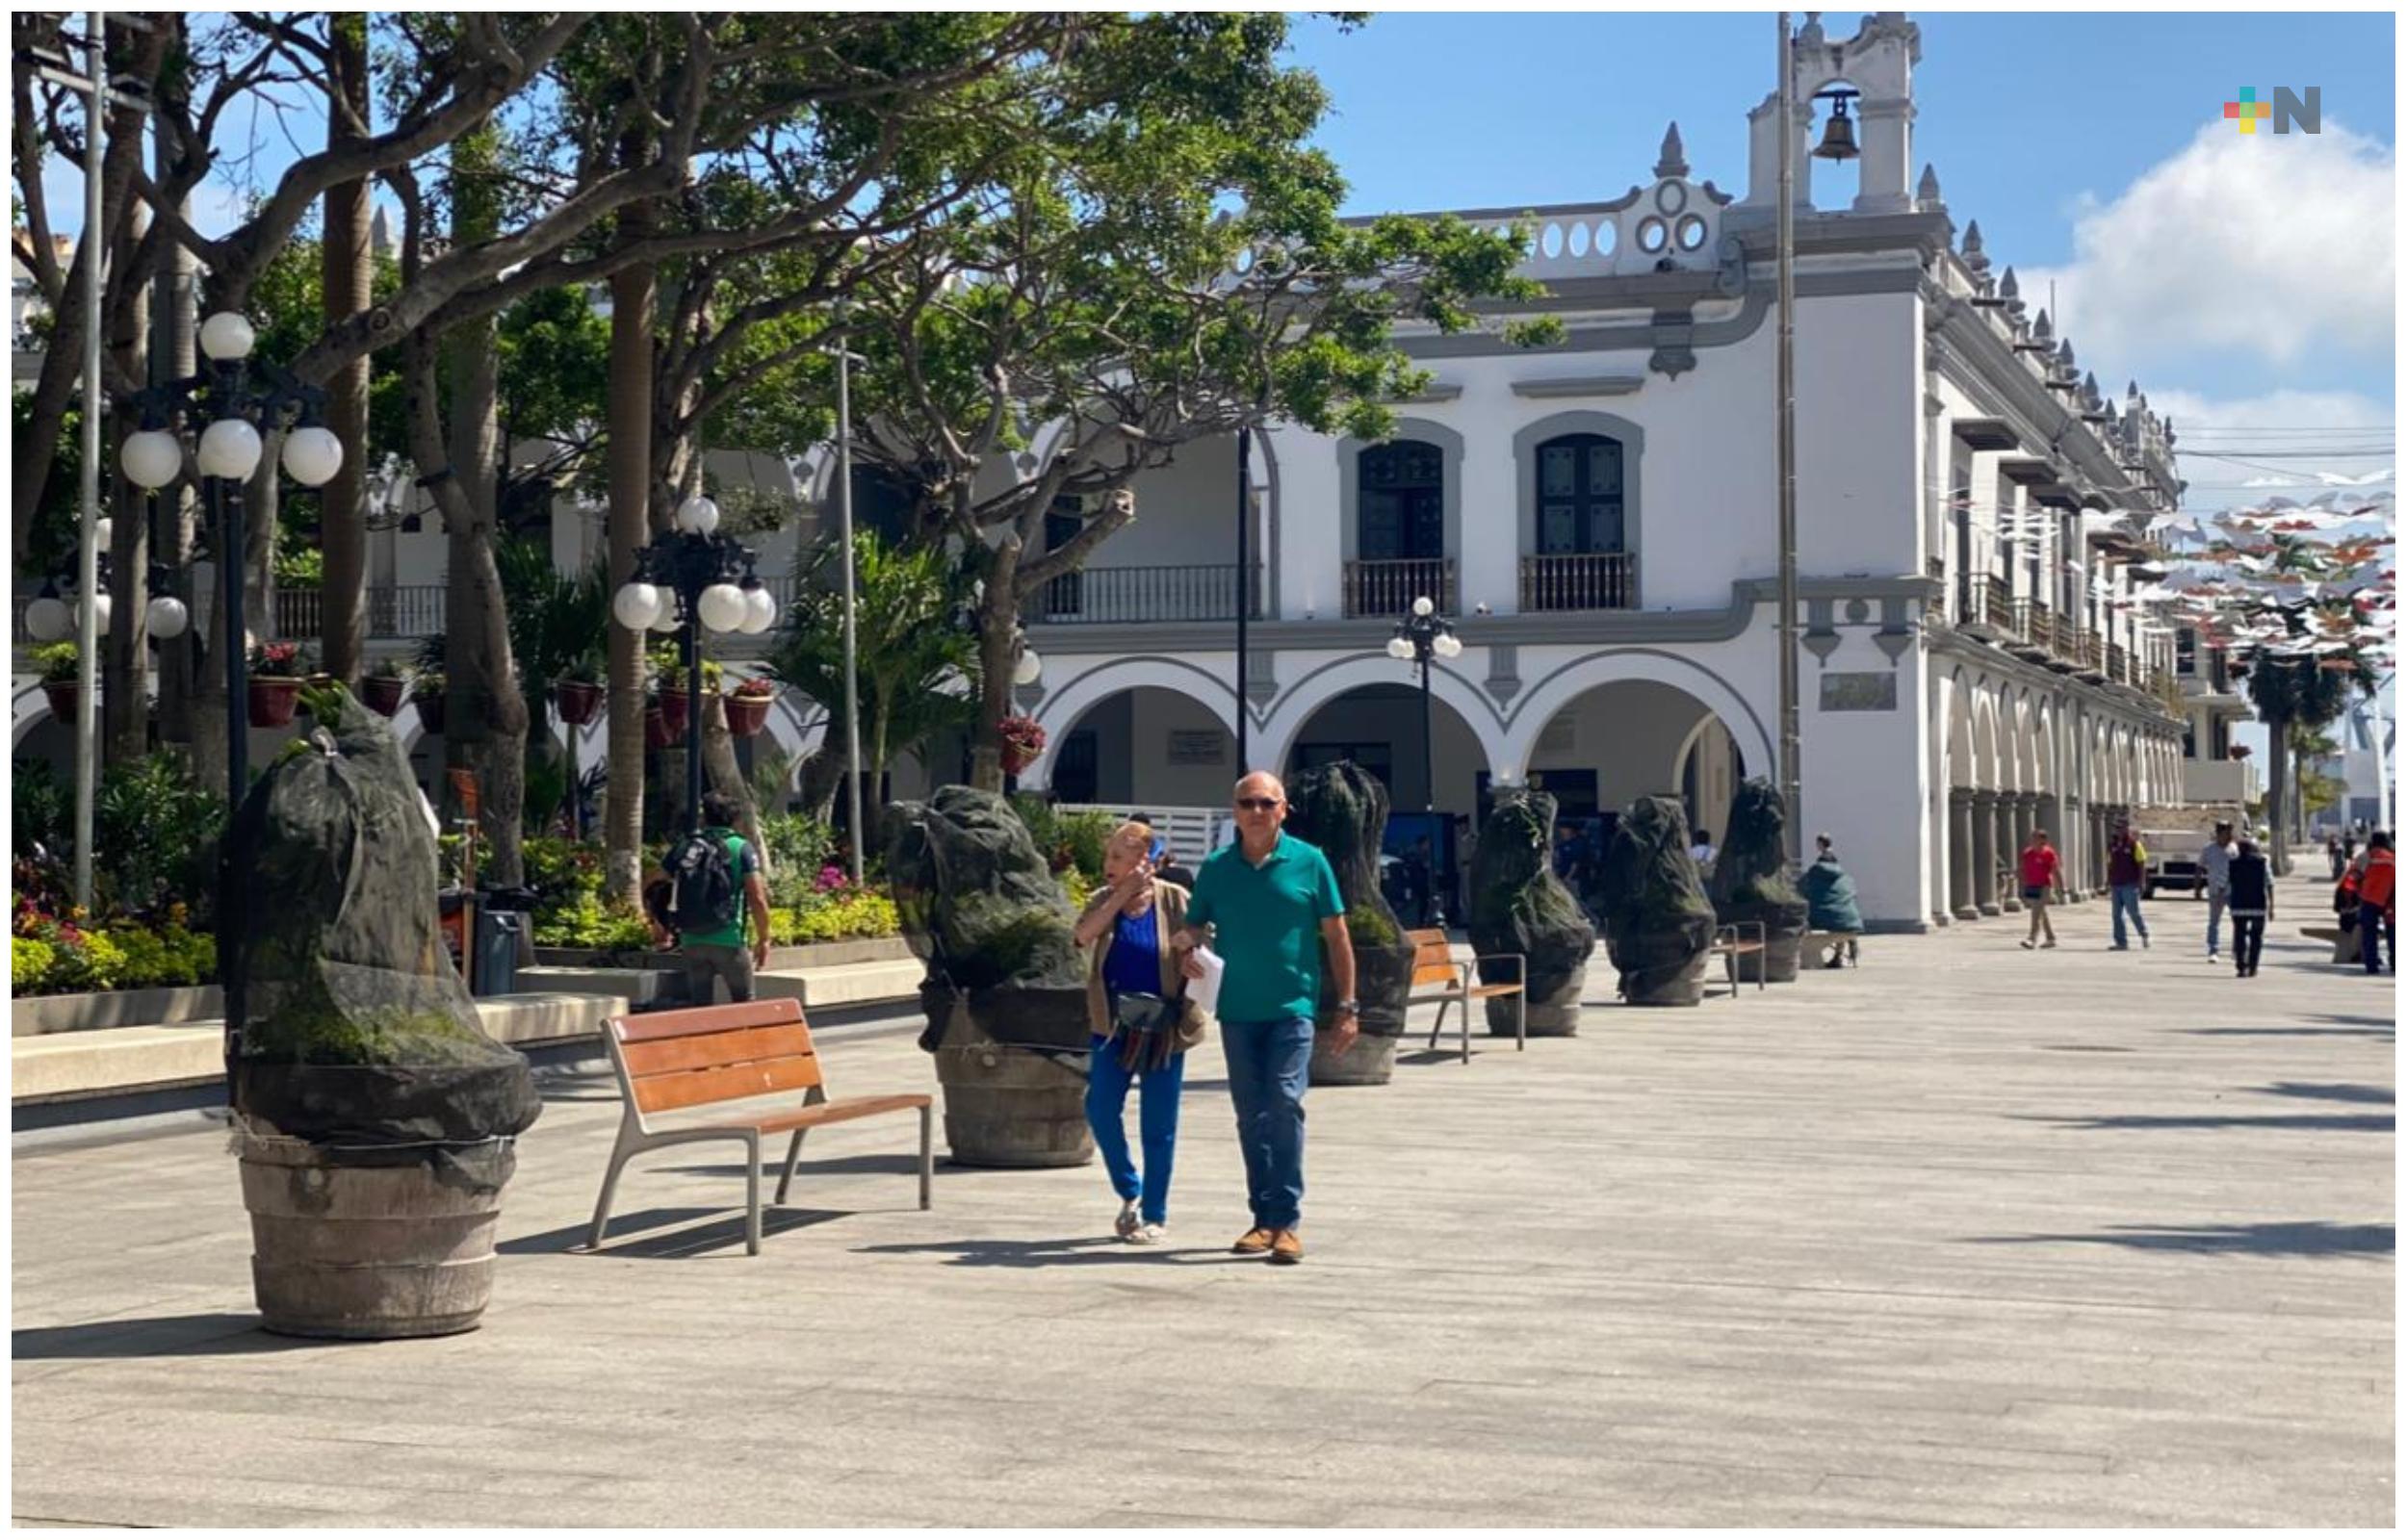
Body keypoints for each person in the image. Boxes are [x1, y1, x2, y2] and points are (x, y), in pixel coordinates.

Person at [1172, 772, 1355, 1267]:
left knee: (1284, 1102)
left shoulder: (1310, 863)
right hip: (1237, 1011)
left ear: (1283, 809)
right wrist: (1188, 948)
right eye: (1247, 803)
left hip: (1292, 1009)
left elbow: (1337, 937)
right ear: (1234, 811)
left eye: (1266, 803)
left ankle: (1288, 1221)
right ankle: (1263, 1219)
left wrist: (1348, 1007)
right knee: (1251, 1115)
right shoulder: (1217, 867)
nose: (1256, 812)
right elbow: (1193, 925)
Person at [1073, 821, 1207, 1245]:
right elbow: (1082, 935)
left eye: (1118, 856)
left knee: (1158, 1123)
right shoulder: (1102, 899)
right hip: (1113, 1024)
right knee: (1099, 1108)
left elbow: (1204, 942)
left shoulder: (1175, 900)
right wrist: (1120, 897)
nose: (1108, 863)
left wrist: (1193, 956)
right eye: (1108, 855)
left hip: (1164, 1025)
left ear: (1142, 860)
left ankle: (1154, 1212)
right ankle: (1129, 1189)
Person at [656, 790, 772, 1003]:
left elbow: (655, 885)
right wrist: (764, 938)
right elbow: (757, 897)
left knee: (702, 1009)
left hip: (691, 939)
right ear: (735, 819)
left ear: (704, 817)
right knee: (745, 1005)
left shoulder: (686, 845)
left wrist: (660, 925)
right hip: (729, 939)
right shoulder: (741, 848)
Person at [1799, 833, 1861, 967]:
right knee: (1840, 920)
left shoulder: (1821, 863)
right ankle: (1838, 956)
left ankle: (1835, 958)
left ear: (1821, 844)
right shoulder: (1842, 876)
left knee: (1827, 919)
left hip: (1830, 918)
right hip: (1850, 920)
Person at [2226, 837, 2272, 978]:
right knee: (2256, 937)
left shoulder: (2233, 864)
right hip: (2257, 906)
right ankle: (2253, 966)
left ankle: (2241, 967)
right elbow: (2269, 884)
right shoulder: (2262, 863)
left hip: (2239, 905)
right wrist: (2271, 907)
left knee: (2239, 936)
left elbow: (2228, 885)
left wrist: (2230, 903)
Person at [2016, 827, 2064, 950]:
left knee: (2035, 912)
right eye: (2033, 837)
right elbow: (2022, 868)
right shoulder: (2027, 853)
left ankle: (2032, 939)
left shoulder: (2048, 853)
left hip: (2044, 886)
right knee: (2041, 912)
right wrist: (2021, 883)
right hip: (2031, 885)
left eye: (2036, 838)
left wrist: (2061, 887)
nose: (2033, 840)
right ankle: (2051, 938)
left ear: (2043, 840)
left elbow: (2055, 871)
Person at [2106, 823, 2150, 951]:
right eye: (2116, 828)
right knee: (2116, 915)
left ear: (2127, 830)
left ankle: (2144, 933)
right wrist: (2108, 881)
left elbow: (2141, 864)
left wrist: (2142, 882)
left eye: (2121, 828)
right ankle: (2121, 942)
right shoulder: (2112, 845)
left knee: (2133, 912)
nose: (2118, 831)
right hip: (2116, 884)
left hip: (2130, 884)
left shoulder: (2134, 844)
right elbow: (2110, 864)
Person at [2358, 831, 2395, 976]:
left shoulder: (2366, 857)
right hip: (2391, 900)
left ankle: (2371, 965)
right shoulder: (2394, 858)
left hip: (2368, 899)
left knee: (2369, 933)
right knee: (2393, 931)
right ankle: (2395, 962)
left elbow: (2355, 875)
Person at [2199, 821, 2239, 962]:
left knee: (2237, 921)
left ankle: (2236, 950)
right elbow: (2200, 867)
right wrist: (2197, 888)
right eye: (2227, 832)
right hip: (2215, 891)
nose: (2229, 835)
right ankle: (2213, 950)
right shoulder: (2208, 849)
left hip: (2231, 891)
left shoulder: (2234, 849)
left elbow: (2239, 870)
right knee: (2214, 922)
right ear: (2219, 834)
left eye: (2230, 832)